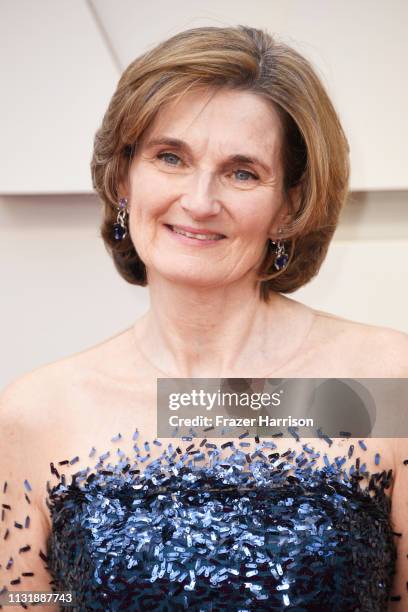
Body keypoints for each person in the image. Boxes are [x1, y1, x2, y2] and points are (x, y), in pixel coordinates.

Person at [1, 24, 407, 611]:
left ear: (290, 205)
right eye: (170, 157)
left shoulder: (383, 383)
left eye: (242, 171)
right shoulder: (37, 413)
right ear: (122, 179)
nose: (198, 200)